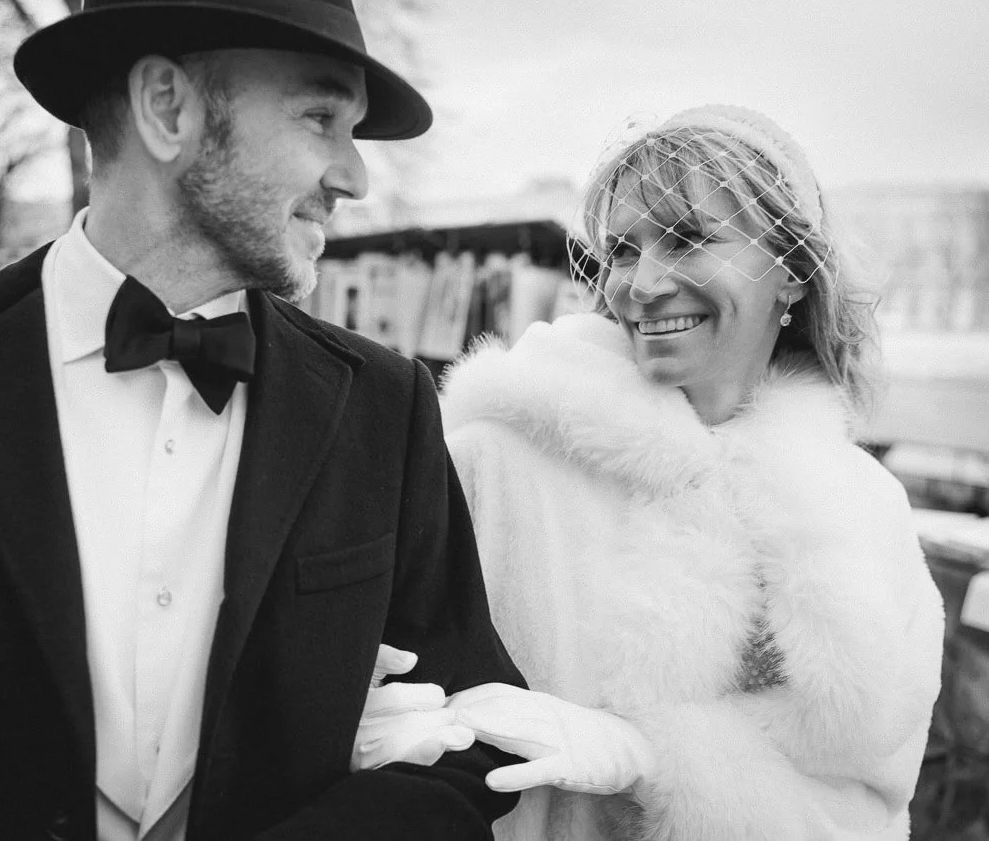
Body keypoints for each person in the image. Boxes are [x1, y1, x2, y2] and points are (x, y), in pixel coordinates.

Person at [0, 0, 524, 839]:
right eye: (321, 116)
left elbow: (479, 733)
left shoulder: (383, 409)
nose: (354, 176)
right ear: (166, 108)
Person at [360, 105, 946, 839]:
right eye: (624, 250)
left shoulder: (865, 509)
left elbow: (875, 800)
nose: (642, 283)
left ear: (793, 272)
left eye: (689, 239)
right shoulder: (492, 457)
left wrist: (654, 759)